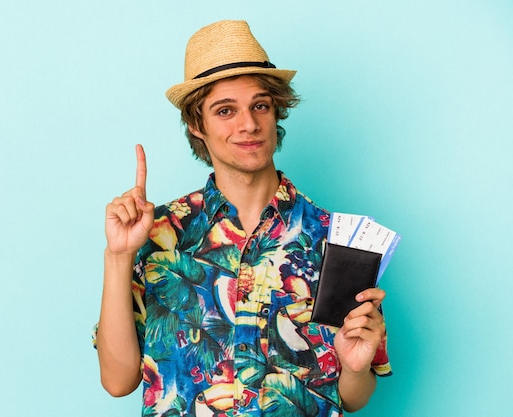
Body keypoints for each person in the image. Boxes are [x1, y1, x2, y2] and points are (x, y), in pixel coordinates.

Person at [93, 20, 391, 416]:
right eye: (225, 110)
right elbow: (118, 381)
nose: (248, 124)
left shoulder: (338, 241)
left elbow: (352, 398)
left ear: (276, 112)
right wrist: (118, 256)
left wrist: (355, 369)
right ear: (197, 125)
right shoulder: (157, 234)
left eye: (260, 106)